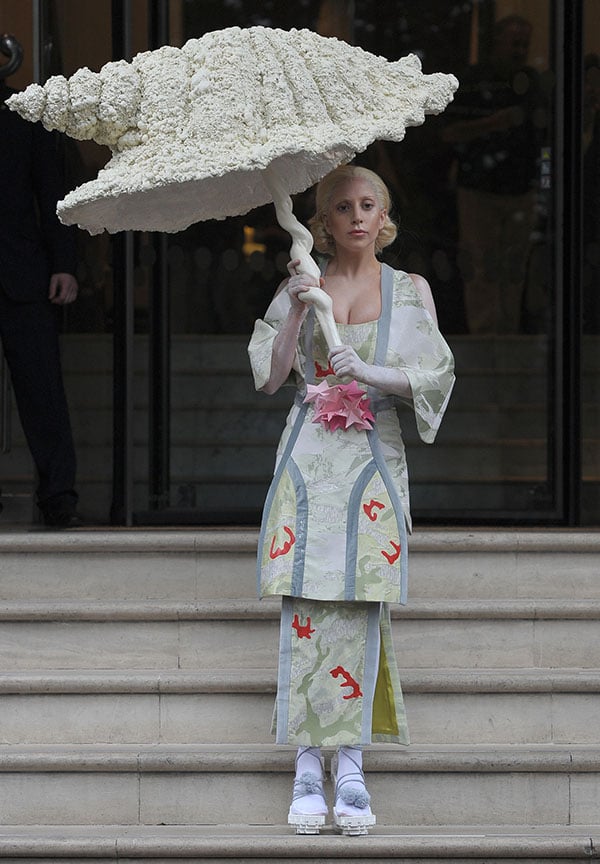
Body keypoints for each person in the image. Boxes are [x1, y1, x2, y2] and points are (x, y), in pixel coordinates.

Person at [247, 165, 455, 835]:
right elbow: (270, 376)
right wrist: (299, 310)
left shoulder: (409, 289)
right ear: (323, 220)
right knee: (306, 595)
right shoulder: (300, 282)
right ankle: (309, 763)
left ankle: (353, 762)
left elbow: (435, 376)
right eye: (343, 207)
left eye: (369, 204)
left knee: (364, 595)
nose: (357, 216)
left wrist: (371, 372)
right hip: (308, 456)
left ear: (384, 214)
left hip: (374, 458)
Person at [0, 76, 82, 527]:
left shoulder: (22, 116)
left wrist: (64, 263)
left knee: (42, 390)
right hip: (24, 271)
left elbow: (54, 194)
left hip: (23, 274)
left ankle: (58, 497)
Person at [443, 15, 545, 333]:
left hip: (521, 188)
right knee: (480, 265)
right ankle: (484, 335)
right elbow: (448, 133)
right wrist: (493, 124)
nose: (519, 50)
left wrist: (544, 184)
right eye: (514, 43)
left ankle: (508, 333)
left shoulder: (533, 83)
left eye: (524, 44)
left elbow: (545, 139)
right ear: (497, 42)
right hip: (478, 189)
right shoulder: (473, 81)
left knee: (514, 266)